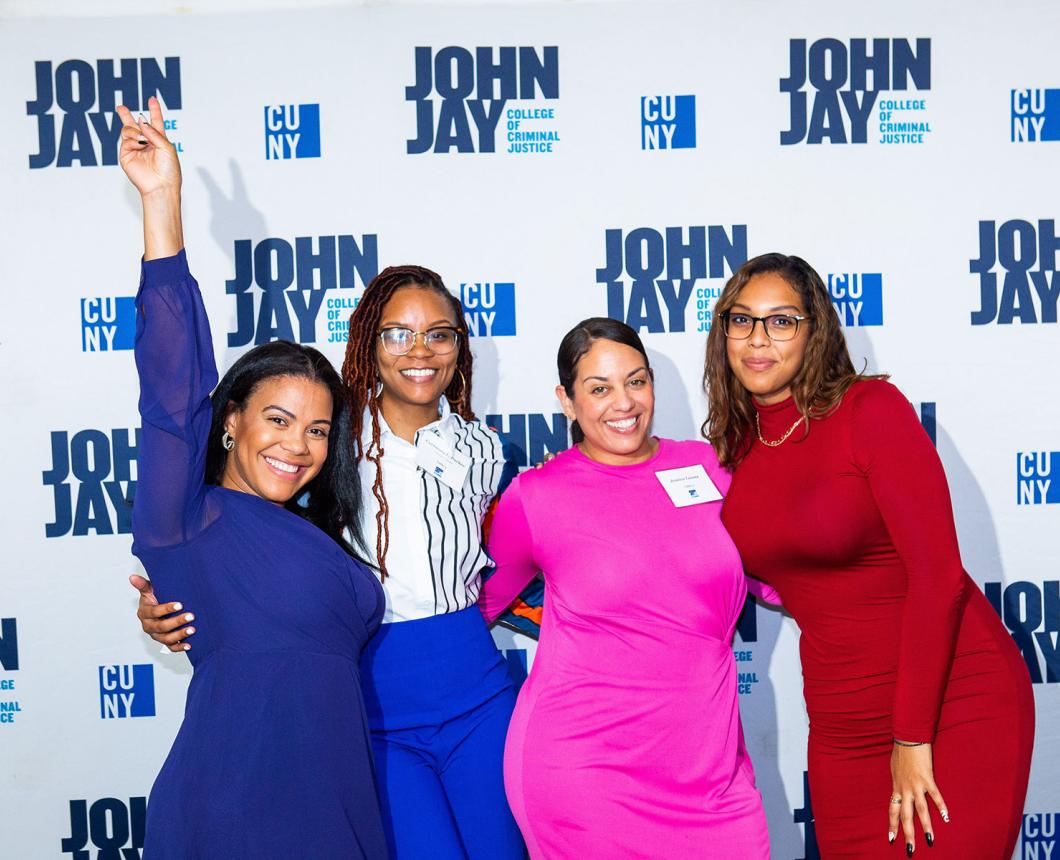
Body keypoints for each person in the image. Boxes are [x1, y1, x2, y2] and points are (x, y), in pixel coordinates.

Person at [132, 264, 524, 857]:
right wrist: (172, 597)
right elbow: (243, 543)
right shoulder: (330, 444)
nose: (420, 350)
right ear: (369, 341)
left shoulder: (488, 450)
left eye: (439, 333)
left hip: (477, 688)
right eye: (398, 333)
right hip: (374, 705)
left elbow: (515, 559)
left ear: (459, 346)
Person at [118, 98, 387, 857]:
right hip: (233, 809)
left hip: (341, 806)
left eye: (317, 430)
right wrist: (163, 204)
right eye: (276, 419)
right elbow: (170, 391)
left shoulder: (319, 536)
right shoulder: (184, 518)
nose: (297, 445)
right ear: (229, 419)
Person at [706, 253, 1034, 859]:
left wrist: (912, 739)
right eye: (741, 319)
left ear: (815, 331)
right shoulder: (735, 447)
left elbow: (939, 577)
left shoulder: (870, 412)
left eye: (781, 321)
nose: (758, 339)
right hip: (840, 726)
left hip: (949, 706)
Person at [479, 317, 773, 859]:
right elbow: (477, 606)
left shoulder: (709, 467)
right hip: (586, 777)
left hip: (711, 777)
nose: (624, 403)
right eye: (599, 388)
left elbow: (779, 576)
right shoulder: (538, 495)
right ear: (566, 402)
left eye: (636, 381)